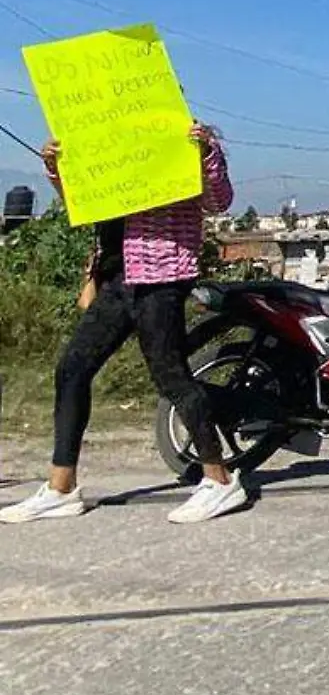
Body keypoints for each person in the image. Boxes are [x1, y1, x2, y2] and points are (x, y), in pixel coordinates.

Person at [2, 121, 243, 525]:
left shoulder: (184, 139)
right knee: (73, 369)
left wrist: (206, 154)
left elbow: (220, 202)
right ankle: (61, 488)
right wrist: (56, 168)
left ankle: (219, 480)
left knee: (171, 376)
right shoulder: (108, 141)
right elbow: (83, 205)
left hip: (162, 275)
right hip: (117, 278)